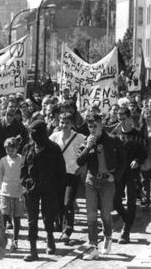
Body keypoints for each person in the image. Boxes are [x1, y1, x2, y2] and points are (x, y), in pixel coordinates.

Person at [76, 113, 125, 261]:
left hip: (107, 182)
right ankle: (93, 246)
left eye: (94, 126)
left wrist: (115, 177)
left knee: (105, 214)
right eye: (90, 127)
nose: (92, 129)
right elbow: (79, 161)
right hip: (91, 181)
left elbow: (123, 161)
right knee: (91, 216)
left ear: (101, 125)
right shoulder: (86, 141)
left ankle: (108, 236)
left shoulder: (113, 140)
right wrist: (88, 146)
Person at [20, 119, 66, 261]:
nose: (32, 135)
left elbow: (61, 172)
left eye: (34, 132)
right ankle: (33, 250)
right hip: (31, 189)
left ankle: (50, 238)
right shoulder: (27, 148)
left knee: (48, 217)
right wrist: (25, 184)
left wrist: (56, 189)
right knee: (31, 221)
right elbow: (23, 170)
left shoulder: (54, 148)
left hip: (49, 188)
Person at [110, 106, 147, 244]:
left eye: (124, 119)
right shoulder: (115, 133)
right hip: (118, 173)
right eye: (119, 120)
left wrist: (137, 161)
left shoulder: (137, 135)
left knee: (131, 202)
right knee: (115, 202)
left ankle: (126, 231)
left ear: (130, 118)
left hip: (132, 173)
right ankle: (127, 220)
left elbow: (144, 153)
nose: (122, 122)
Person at [50, 112, 86, 244]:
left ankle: (67, 230)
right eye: (62, 122)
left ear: (72, 124)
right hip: (58, 174)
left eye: (67, 123)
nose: (64, 125)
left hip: (72, 173)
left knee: (68, 201)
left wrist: (83, 167)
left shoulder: (80, 138)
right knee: (59, 202)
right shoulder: (54, 137)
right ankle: (59, 224)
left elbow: (87, 152)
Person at [0, 136, 24, 252]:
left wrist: (23, 189)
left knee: (17, 216)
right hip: (5, 191)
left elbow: (24, 173)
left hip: (17, 191)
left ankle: (15, 239)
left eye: (12, 150)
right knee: (4, 214)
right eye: (7, 150)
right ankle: (2, 239)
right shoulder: (3, 160)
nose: (9, 152)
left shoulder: (21, 159)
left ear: (17, 149)